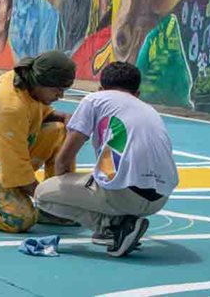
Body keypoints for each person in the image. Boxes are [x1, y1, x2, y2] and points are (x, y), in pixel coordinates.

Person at [34, 61, 179, 257]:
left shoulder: (94, 99)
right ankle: (118, 226)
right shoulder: (149, 110)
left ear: (100, 89)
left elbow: (64, 158)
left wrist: (63, 186)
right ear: (137, 94)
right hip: (160, 198)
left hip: (124, 195)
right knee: (107, 179)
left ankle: (112, 226)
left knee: (43, 194)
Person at [0, 50, 77, 233]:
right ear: (41, 82)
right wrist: (46, 199)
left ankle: (53, 204)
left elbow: (36, 112)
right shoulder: (9, 108)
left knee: (60, 130)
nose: (61, 96)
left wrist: (63, 117)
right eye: (57, 89)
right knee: (20, 217)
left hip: (2, 151)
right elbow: (15, 171)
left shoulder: (26, 80)